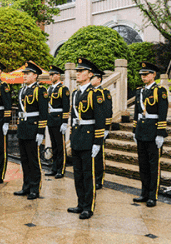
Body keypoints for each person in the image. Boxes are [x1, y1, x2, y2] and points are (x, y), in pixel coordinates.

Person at [67, 58, 106, 220]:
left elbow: (100, 119)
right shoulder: (76, 93)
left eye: (81, 71)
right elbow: (73, 117)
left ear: (90, 74)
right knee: (77, 174)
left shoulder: (95, 94)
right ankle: (80, 203)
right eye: (77, 71)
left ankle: (88, 207)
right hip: (77, 137)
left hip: (89, 138)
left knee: (88, 174)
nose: (78, 73)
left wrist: (98, 142)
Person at [132, 62, 168, 208]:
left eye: (146, 74)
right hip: (141, 129)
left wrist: (160, 133)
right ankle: (144, 192)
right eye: (142, 74)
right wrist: (135, 129)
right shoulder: (139, 92)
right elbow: (136, 112)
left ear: (153, 75)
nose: (143, 77)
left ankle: (153, 195)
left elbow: (163, 113)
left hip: (153, 130)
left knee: (154, 165)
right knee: (143, 164)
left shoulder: (160, 91)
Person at [14, 61, 48, 200]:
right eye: (25, 74)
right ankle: (26, 186)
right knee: (24, 159)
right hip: (23, 128)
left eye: (28, 74)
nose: (25, 76)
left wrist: (41, 131)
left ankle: (35, 188)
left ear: (35, 75)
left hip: (33, 128)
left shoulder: (40, 90)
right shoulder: (23, 90)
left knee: (33, 160)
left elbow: (43, 112)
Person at [45, 65, 70, 179]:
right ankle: (54, 168)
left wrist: (65, 121)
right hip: (51, 119)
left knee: (60, 146)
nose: (50, 77)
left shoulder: (63, 89)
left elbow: (66, 106)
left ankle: (61, 169)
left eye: (52, 74)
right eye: (50, 74)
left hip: (59, 119)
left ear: (58, 75)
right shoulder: (50, 89)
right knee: (54, 145)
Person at [91, 68, 113, 190]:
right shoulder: (88, 92)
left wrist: (106, 128)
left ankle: (99, 179)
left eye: (92, 77)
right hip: (89, 127)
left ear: (99, 79)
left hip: (99, 128)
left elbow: (108, 111)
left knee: (99, 155)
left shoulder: (105, 93)